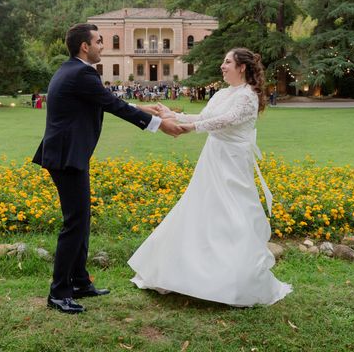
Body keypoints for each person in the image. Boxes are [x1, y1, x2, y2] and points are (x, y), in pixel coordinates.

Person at [32, 23, 184, 314]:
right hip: (66, 156)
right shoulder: (82, 72)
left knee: (81, 219)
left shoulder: (72, 70)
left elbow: (106, 101)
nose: (103, 45)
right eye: (99, 41)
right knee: (74, 223)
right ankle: (59, 292)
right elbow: (113, 106)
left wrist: (145, 110)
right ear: (85, 46)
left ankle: (79, 282)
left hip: (68, 154)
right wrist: (159, 124)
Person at [128, 48, 292, 307]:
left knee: (232, 214)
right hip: (213, 158)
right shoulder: (223, 93)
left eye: (227, 62)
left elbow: (227, 120)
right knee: (202, 209)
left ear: (242, 68)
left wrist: (189, 128)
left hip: (233, 163)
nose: (222, 66)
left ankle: (233, 281)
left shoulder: (248, 96)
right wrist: (171, 115)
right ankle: (189, 273)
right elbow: (206, 117)